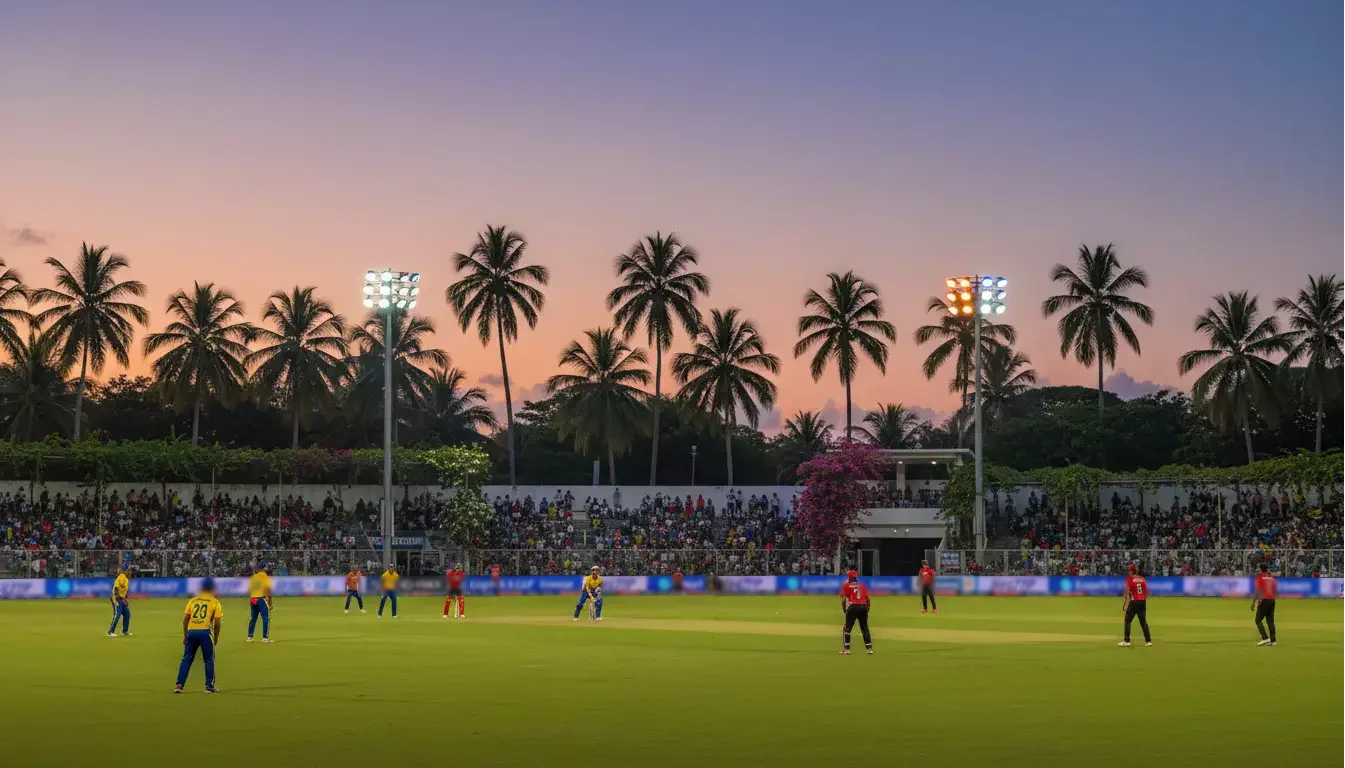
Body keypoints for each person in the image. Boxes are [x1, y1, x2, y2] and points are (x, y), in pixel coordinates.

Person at [176, 578, 222, 694]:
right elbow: (217, 622)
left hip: (191, 631)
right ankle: (209, 686)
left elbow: (186, 619)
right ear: (212, 588)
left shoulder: (193, 600)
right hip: (205, 632)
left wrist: (186, 635)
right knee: (209, 659)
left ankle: (179, 685)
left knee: (187, 659)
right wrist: (216, 637)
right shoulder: (214, 602)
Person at [840, 570, 873, 655]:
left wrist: (845, 611)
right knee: (865, 628)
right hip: (863, 607)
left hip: (853, 607)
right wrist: (867, 609)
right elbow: (868, 599)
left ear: (850, 577)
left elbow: (843, 600)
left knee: (847, 628)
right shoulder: (862, 585)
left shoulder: (847, 585)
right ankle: (869, 649)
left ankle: (846, 649)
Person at [1119, 563, 1152, 647]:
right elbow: (1147, 593)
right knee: (1143, 622)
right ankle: (1148, 641)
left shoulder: (1129, 579)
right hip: (1142, 602)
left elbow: (1126, 593)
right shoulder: (1142, 579)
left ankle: (1127, 641)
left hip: (1134, 602)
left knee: (1127, 621)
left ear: (1130, 571)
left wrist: (1126, 599)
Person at [247, 563, 273, 643]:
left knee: (253, 618)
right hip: (261, 599)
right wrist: (270, 604)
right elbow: (268, 591)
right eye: (266, 567)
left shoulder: (254, 576)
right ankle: (265, 638)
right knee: (265, 618)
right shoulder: (265, 577)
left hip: (253, 599)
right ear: (264, 568)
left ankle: (250, 637)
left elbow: (250, 588)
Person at [1252, 563, 1277, 646]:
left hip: (1264, 600)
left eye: (1258, 568)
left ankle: (1265, 638)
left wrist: (1254, 602)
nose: (1257, 569)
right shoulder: (1271, 578)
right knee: (1270, 621)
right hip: (1272, 600)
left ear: (1261, 569)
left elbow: (1257, 590)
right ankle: (1273, 641)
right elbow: (1275, 590)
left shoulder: (1259, 578)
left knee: (1258, 620)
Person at [108, 566, 132, 637]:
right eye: (128, 571)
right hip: (116, 598)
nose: (130, 572)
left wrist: (125, 598)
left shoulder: (126, 579)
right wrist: (122, 599)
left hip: (121, 598)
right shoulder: (122, 576)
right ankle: (110, 632)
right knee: (117, 615)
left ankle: (125, 631)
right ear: (124, 571)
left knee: (127, 613)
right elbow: (116, 588)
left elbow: (123, 590)